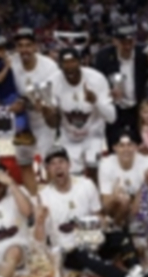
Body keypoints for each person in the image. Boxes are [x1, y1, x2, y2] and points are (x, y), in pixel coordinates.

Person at [34, 145, 148, 277]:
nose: (58, 166)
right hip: (70, 251)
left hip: (92, 239)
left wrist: (104, 221)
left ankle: (138, 272)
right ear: (47, 169)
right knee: (83, 254)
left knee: (121, 237)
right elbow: (39, 240)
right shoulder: (44, 196)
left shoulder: (86, 185)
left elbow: (99, 216)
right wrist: (39, 222)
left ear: (69, 165)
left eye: (61, 161)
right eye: (52, 164)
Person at [41, 48, 115, 180]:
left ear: (81, 62)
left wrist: (95, 101)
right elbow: (53, 125)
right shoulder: (52, 82)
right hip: (69, 136)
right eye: (65, 63)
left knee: (94, 168)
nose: (70, 66)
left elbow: (112, 117)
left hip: (93, 134)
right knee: (72, 177)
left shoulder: (97, 79)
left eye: (73, 62)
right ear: (59, 65)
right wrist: (47, 113)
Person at [10, 26, 61, 195]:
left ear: (35, 47)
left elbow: (55, 98)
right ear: (16, 48)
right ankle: (33, 199)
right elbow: (4, 94)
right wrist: (11, 105)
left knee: (51, 162)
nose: (24, 49)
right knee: (24, 161)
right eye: (20, 46)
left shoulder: (49, 67)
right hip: (21, 121)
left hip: (44, 120)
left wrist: (45, 107)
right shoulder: (11, 65)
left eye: (28, 45)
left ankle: (54, 199)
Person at [93, 24, 148, 149]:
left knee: (142, 143)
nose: (127, 46)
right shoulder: (103, 57)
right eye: (123, 42)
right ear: (115, 42)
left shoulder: (145, 53)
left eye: (131, 42)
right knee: (115, 143)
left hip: (138, 107)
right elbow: (97, 83)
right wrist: (108, 92)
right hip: (115, 108)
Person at [0, 35, 29, 138]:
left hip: (14, 94)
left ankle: (20, 138)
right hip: (3, 98)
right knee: (6, 130)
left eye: (2, 49)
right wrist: (6, 67)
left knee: (23, 122)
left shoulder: (7, 60)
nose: (0, 52)